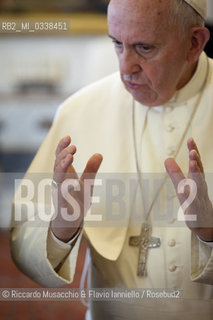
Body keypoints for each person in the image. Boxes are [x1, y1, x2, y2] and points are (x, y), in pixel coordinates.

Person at [10, 0, 213, 319]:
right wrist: (62, 225)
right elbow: (23, 238)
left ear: (194, 43)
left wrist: (208, 232)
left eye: (144, 48)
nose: (124, 68)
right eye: (117, 44)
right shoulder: (81, 110)